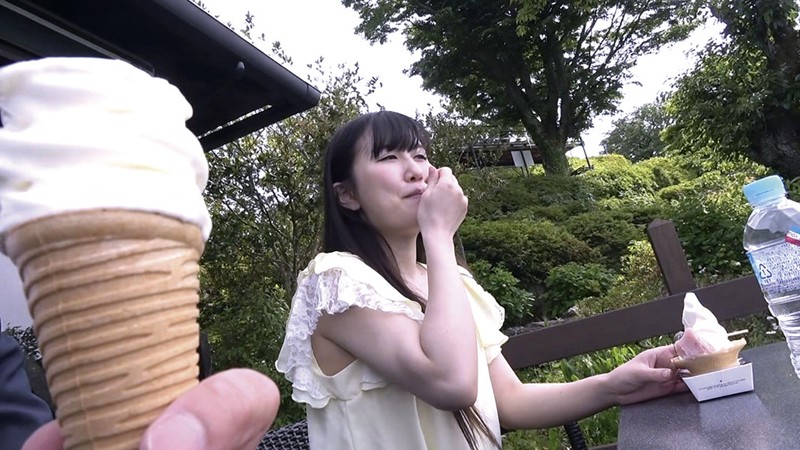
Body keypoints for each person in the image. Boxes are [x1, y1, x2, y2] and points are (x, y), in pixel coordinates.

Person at [276, 111, 686, 449]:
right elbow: (452, 384)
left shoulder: (448, 281)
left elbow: (510, 400)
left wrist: (614, 385)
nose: (416, 171)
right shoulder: (335, 284)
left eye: (420, 155)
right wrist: (439, 235)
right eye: (388, 158)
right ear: (348, 195)